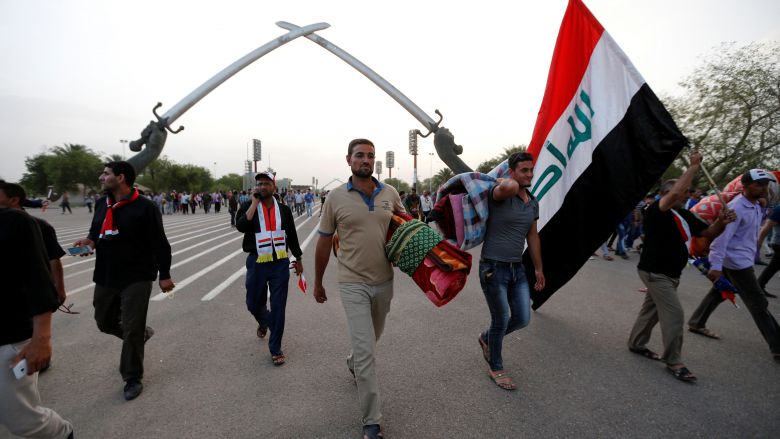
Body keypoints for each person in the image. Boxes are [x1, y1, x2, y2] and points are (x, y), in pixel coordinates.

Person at [314, 138, 404, 439]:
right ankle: (372, 422)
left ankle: (352, 362)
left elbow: (405, 227)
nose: (365, 160)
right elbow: (325, 240)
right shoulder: (335, 198)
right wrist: (317, 281)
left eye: (370, 156)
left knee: (372, 339)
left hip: (384, 281)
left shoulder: (389, 193)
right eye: (359, 155)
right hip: (352, 282)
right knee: (367, 351)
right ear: (349, 160)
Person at [627, 152, 734, 382]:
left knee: (651, 310)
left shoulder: (684, 214)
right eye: (684, 192)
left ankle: (636, 344)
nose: (687, 194)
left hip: (671, 274)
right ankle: (674, 361)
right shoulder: (656, 210)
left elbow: (707, 233)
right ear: (666, 194)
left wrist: (721, 222)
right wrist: (694, 167)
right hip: (655, 273)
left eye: (687, 192)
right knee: (674, 314)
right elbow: (676, 191)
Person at [73, 161, 175, 400]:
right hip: (106, 275)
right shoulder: (102, 204)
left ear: (120, 178)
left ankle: (132, 377)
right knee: (104, 321)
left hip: (136, 276)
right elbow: (96, 233)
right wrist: (88, 242)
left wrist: (165, 275)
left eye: (106, 174)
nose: (101, 177)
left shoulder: (145, 207)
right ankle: (141, 335)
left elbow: (160, 243)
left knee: (131, 328)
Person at [0, 182, 74, 439]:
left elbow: (46, 267)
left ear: (12, 199)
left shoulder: (20, 224)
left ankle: (62, 433)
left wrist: (42, 338)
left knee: (24, 421)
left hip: (9, 334)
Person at [687, 169, 780, 362]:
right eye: (758, 184)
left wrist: (763, 207)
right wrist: (716, 266)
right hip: (737, 262)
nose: (763, 188)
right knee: (758, 304)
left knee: (719, 292)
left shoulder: (755, 205)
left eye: (765, 184)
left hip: (741, 258)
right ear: (745, 186)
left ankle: (697, 322)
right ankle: (777, 345)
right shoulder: (735, 208)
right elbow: (721, 240)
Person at [475, 152, 545, 391]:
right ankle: (496, 367)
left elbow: (532, 235)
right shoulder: (501, 193)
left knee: (523, 318)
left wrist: (538, 269)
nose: (530, 174)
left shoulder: (532, 201)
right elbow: (506, 187)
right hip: (493, 267)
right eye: (524, 170)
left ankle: (487, 338)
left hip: (518, 268)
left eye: (531, 170)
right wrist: (509, 180)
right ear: (511, 172)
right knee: (501, 318)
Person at [236, 171, 303, 366]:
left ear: (274, 187)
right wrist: (254, 203)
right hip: (257, 262)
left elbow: (291, 234)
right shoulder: (249, 205)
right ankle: (265, 322)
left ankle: (275, 348)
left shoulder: (283, 209)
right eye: (259, 184)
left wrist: (298, 257)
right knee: (253, 303)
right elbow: (241, 226)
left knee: (279, 306)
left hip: (279, 262)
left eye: (266, 183)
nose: (262, 187)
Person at [758, 203, 780, 297]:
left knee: (773, 267)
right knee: (773, 267)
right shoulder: (779, 209)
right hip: (779, 243)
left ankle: (759, 286)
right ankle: (758, 287)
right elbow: (767, 227)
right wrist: (758, 245)